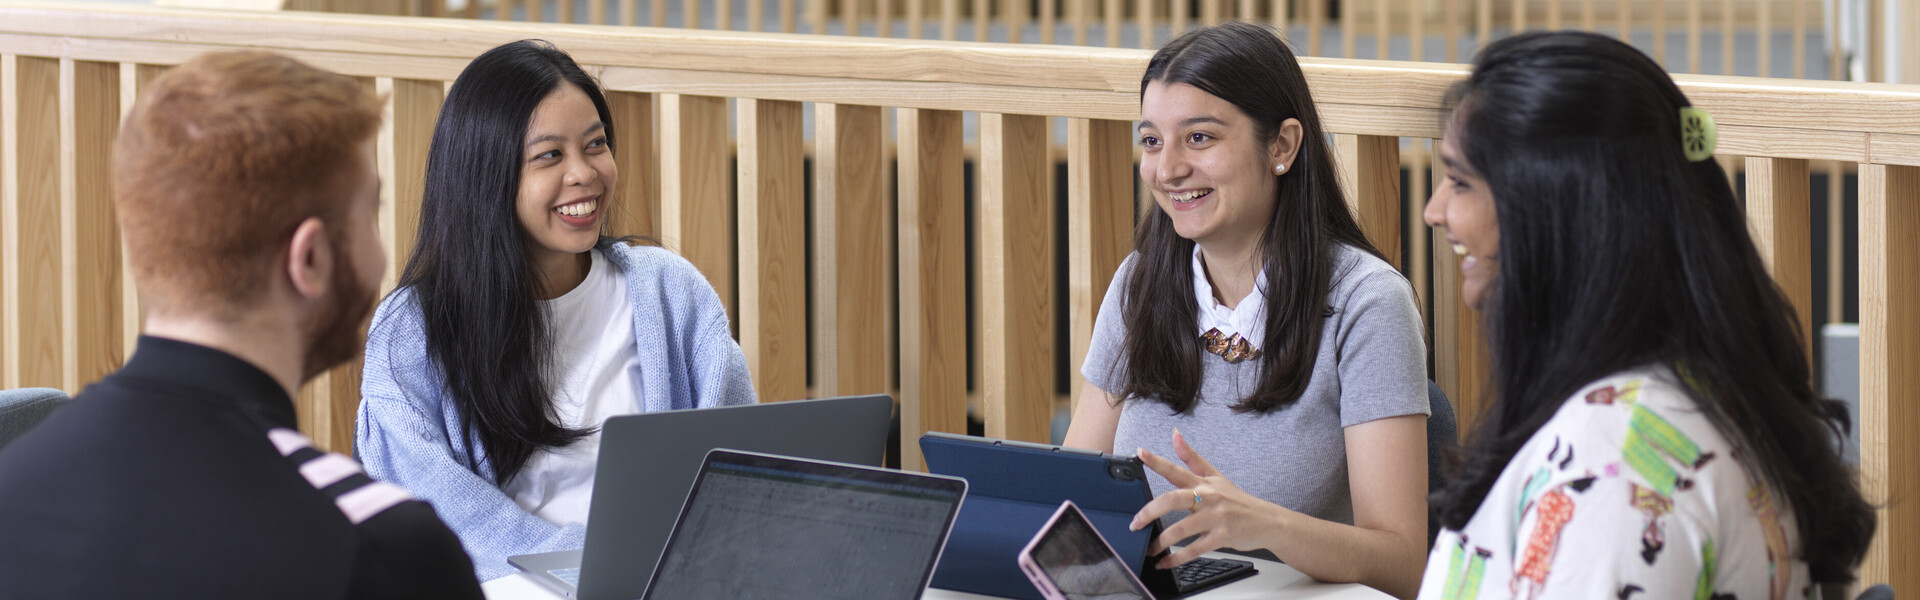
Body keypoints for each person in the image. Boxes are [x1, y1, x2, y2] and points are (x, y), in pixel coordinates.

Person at [0, 51, 482, 598]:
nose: (381, 255)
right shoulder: (385, 550)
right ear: (311, 258)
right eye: (371, 215)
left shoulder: (11, 490)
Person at [1419, 31, 1875, 597]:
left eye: (1460, 182)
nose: (1434, 210)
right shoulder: (1674, 395)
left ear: (1557, 211)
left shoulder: (1616, 464)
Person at [356, 40, 754, 580]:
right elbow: (430, 510)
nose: (585, 173)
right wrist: (589, 563)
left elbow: (740, 466)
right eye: (550, 155)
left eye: (596, 144)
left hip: (664, 580)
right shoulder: (413, 330)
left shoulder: (671, 294)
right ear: (487, 174)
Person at [1064, 22, 1431, 599]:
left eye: (1199, 138)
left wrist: (1266, 525)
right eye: (1152, 141)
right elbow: (1068, 499)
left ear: (1281, 145)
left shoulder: (1367, 301)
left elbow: (1405, 563)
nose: (1168, 169)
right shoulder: (1139, 282)